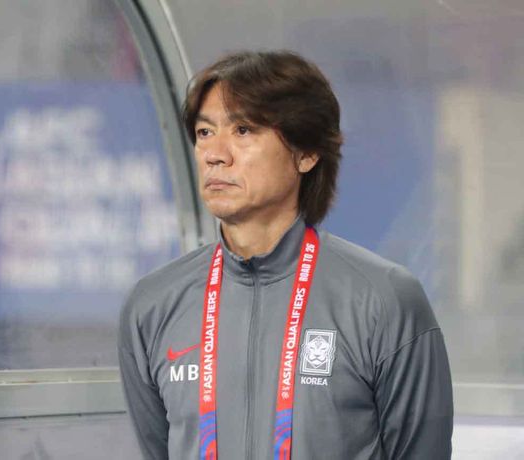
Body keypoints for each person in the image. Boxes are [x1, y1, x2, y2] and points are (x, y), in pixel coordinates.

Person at [118, 50, 453, 460]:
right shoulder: (152, 305)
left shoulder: (383, 299)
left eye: (243, 130)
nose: (214, 153)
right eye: (205, 132)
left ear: (306, 153)